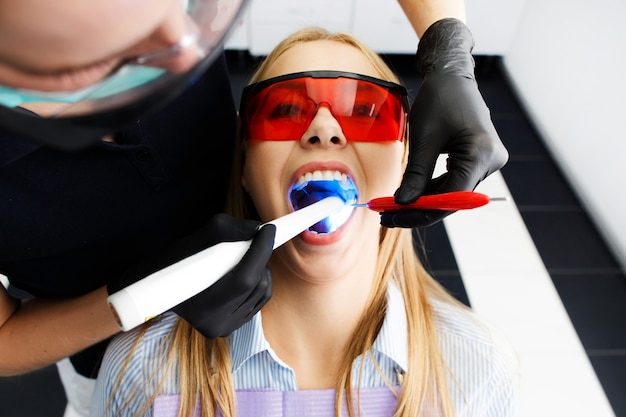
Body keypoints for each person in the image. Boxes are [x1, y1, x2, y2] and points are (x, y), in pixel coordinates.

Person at [0, 0, 507, 415]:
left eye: (363, 110)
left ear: (403, 154)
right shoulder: (140, 376)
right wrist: (141, 300)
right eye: (285, 109)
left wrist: (449, 50)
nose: (325, 128)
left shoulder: (476, 369)